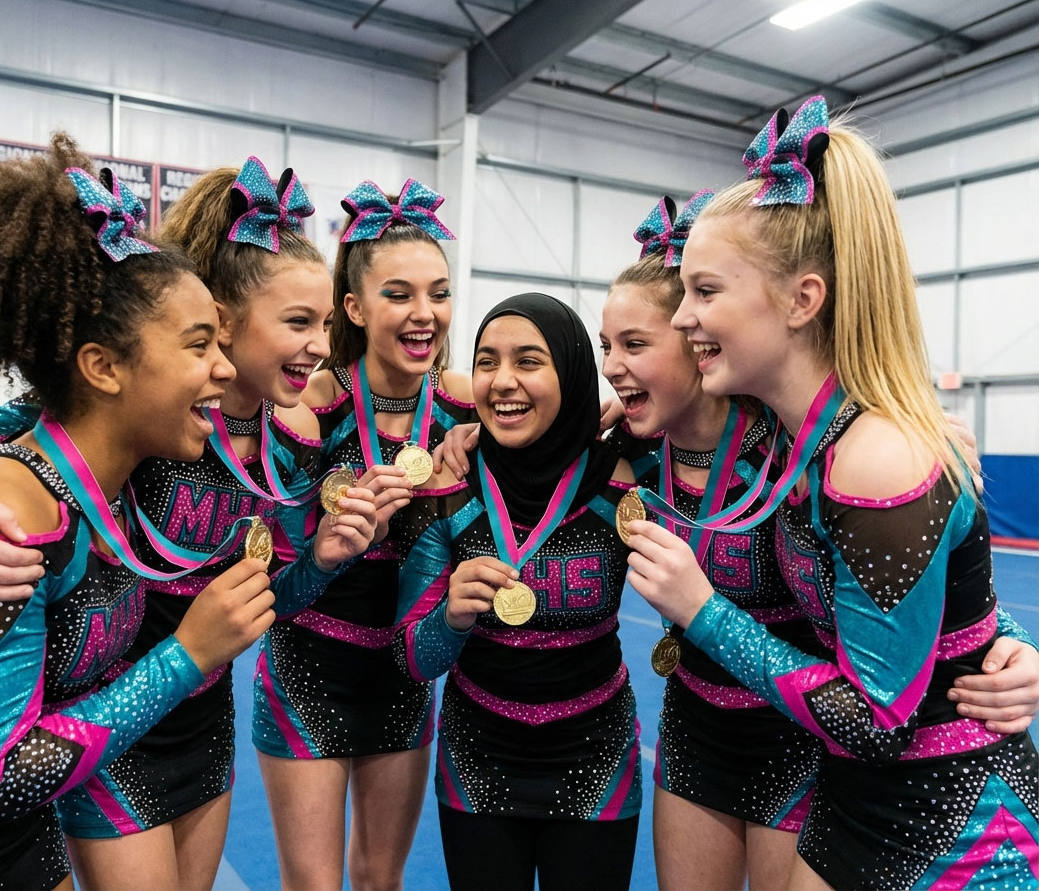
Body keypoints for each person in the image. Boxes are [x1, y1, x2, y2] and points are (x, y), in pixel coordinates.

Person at [0, 156, 392, 891]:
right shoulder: (9, 509)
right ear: (105, 367)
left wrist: (319, 564)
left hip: (69, 803)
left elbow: (248, 601)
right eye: (202, 345)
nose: (222, 369)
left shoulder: (153, 462)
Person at [625, 96, 1039, 889]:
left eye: (705, 292)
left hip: (955, 827)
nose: (684, 318)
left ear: (801, 300)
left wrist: (700, 610)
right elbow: (930, 601)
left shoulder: (877, 458)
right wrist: (1004, 630)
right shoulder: (792, 436)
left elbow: (876, 720)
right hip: (853, 810)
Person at [254, 178, 473, 890]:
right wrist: (324, 555)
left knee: (382, 880)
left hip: (404, 680)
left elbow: (581, 413)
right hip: (306, 673)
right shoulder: (310, 407)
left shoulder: (470, 403)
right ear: (353, 305)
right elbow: (276, 597)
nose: (425, 314)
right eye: (399, 294)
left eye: (439, 293)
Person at [393, 292, 642, 891]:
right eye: (486, 361)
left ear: (573, 369)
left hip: (597, 759)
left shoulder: (623, 478)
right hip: (478, 761)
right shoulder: (448, 483)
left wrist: (623, 408)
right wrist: (449, 617)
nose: (503, 381)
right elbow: (414, 658)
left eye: (529, 361)